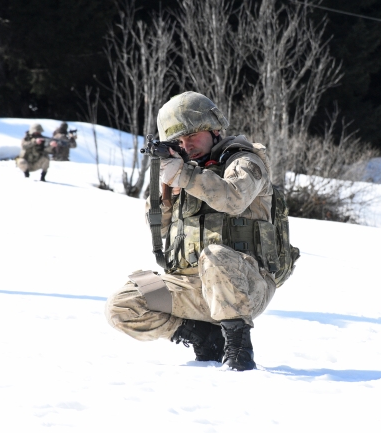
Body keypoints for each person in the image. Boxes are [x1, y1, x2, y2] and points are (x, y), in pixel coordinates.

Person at [105, 91, 278, 371]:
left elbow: (233, 198)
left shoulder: (245, 162)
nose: (187, 144)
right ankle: (202, 336)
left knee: (215, 255)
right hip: (190, 285)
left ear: (215, 129)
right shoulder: (185, 172)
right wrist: (167, 187)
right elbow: (158, 228)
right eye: (180, 140)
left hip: (245, 284)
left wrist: (184, 175)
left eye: (193, 135)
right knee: (121, 305)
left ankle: (238, 348)